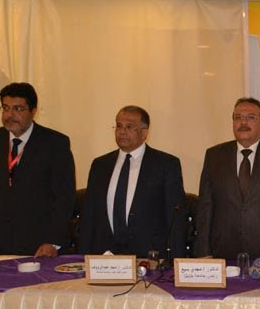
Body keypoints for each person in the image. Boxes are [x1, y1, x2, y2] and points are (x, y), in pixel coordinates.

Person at [0, 82, 75, 257]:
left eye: (18, 109)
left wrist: (53, 241)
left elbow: (64, 199)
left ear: (33, 111)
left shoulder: (55, 143)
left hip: (40, 246)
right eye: (5, 108)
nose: (10, 115)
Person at [195, 97, 260, 262]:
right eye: (237, 117)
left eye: (251, 117)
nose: (243, 122)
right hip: (223, 252)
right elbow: (205, 207)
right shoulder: (214, 156)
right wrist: (203, 251)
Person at [79, 106, 185, 257]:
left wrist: (175, 259)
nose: (122, 132)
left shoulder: (165, 165)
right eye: (119, 126)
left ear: (144, 132)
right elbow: (89, 215)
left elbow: (175, 218)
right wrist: (83, 257)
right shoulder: (100, 165)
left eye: (129, 127)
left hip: (149, 257)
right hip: (105, 256)